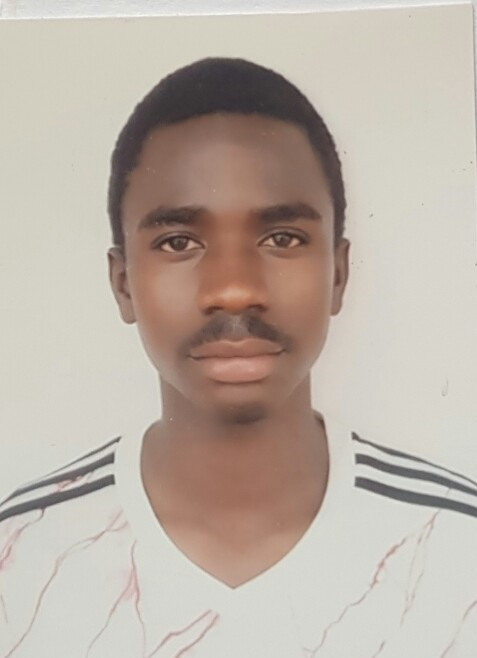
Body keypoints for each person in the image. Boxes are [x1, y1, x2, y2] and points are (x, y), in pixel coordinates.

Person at [1, 57, 476, 658]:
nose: (233, 289)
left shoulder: (459, 551)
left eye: (282, 238)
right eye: (179, 242)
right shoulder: (21, 559)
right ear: (124, 285)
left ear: (338, 274)